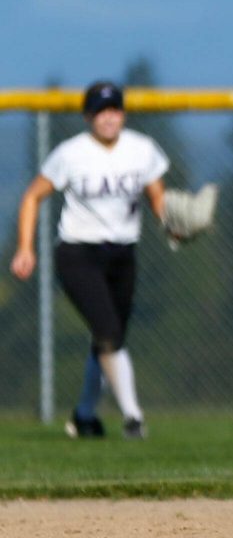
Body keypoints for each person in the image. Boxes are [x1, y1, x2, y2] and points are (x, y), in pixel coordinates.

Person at [10, 80, 169, 440]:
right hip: (78, 253)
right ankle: (133, 418)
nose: (108, 118)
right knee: (109, 333)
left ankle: (84, 417)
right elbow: (32, 196)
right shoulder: (71, 153)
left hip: (123, 253)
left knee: (108, 339)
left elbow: (158, 200)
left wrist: (173, 225)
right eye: (100, 112)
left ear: (123, 114)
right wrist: (25, 247)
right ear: (88, 117)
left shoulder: (142, 150)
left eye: (114, 110)